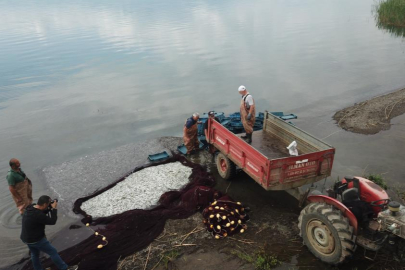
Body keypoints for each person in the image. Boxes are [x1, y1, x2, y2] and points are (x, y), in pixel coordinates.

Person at [20, 195, 69, 270]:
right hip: (36, 240)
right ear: (45, 204)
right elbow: (52, 221)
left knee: (34, 254)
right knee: (53, 252)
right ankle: (64, 268)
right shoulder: (38, 215)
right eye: (49, 203)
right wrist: (54, 208)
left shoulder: (31, 207)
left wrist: (49, 208)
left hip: (26, 238)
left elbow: (41, 212)